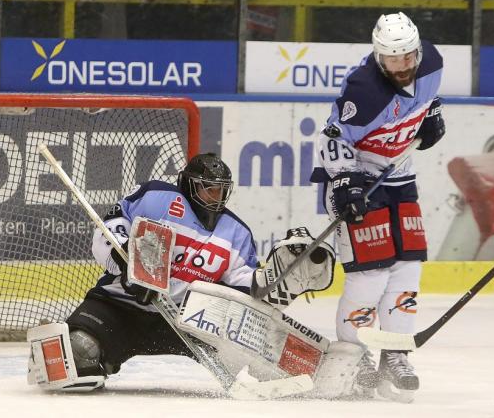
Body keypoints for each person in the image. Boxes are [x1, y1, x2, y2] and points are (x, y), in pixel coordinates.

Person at [25, 153, 340, 394]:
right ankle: (87, 350)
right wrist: (127, 265)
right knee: (79, 352)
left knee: (255, 356)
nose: (217, 197)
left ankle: (310, 377)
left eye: (222, 191)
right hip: (120, 306)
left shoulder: (236, 231)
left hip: (186, 322)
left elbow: (244, 286)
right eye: (209, 190)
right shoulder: (156, 197)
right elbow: (110, 230)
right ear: (190, 184)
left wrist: (273, 282)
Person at [309, 11, 446, 402]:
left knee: (407, 270)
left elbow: (427, 100)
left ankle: (395, 354)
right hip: (358, 182)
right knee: (370, 276)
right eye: (392, 60)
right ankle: (354, 356)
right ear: (378, 56)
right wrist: (346, 182)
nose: (402, 67)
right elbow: (332, 138)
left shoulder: (432, 62)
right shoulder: (363, 90)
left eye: (407, 57)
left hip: (400, 177)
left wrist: (433, 113)